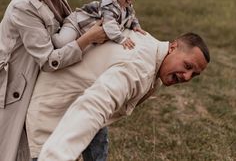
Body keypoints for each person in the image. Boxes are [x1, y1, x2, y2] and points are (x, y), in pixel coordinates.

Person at [26, 29, 210, 161]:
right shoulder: (140, 68)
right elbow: (94, 106)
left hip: (79, 97)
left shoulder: (154, 57)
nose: (186, 77)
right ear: (173, 47)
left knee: (99, 137)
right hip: (53, 113)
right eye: (187, 66)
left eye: (194, 74)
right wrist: (57, 156)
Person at [0, 0, 107, 161]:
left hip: (45, 80)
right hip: (17, 89)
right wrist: (87, 39)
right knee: (24, 151)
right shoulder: (23, 6)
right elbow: (48, 60)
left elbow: (68, 26)